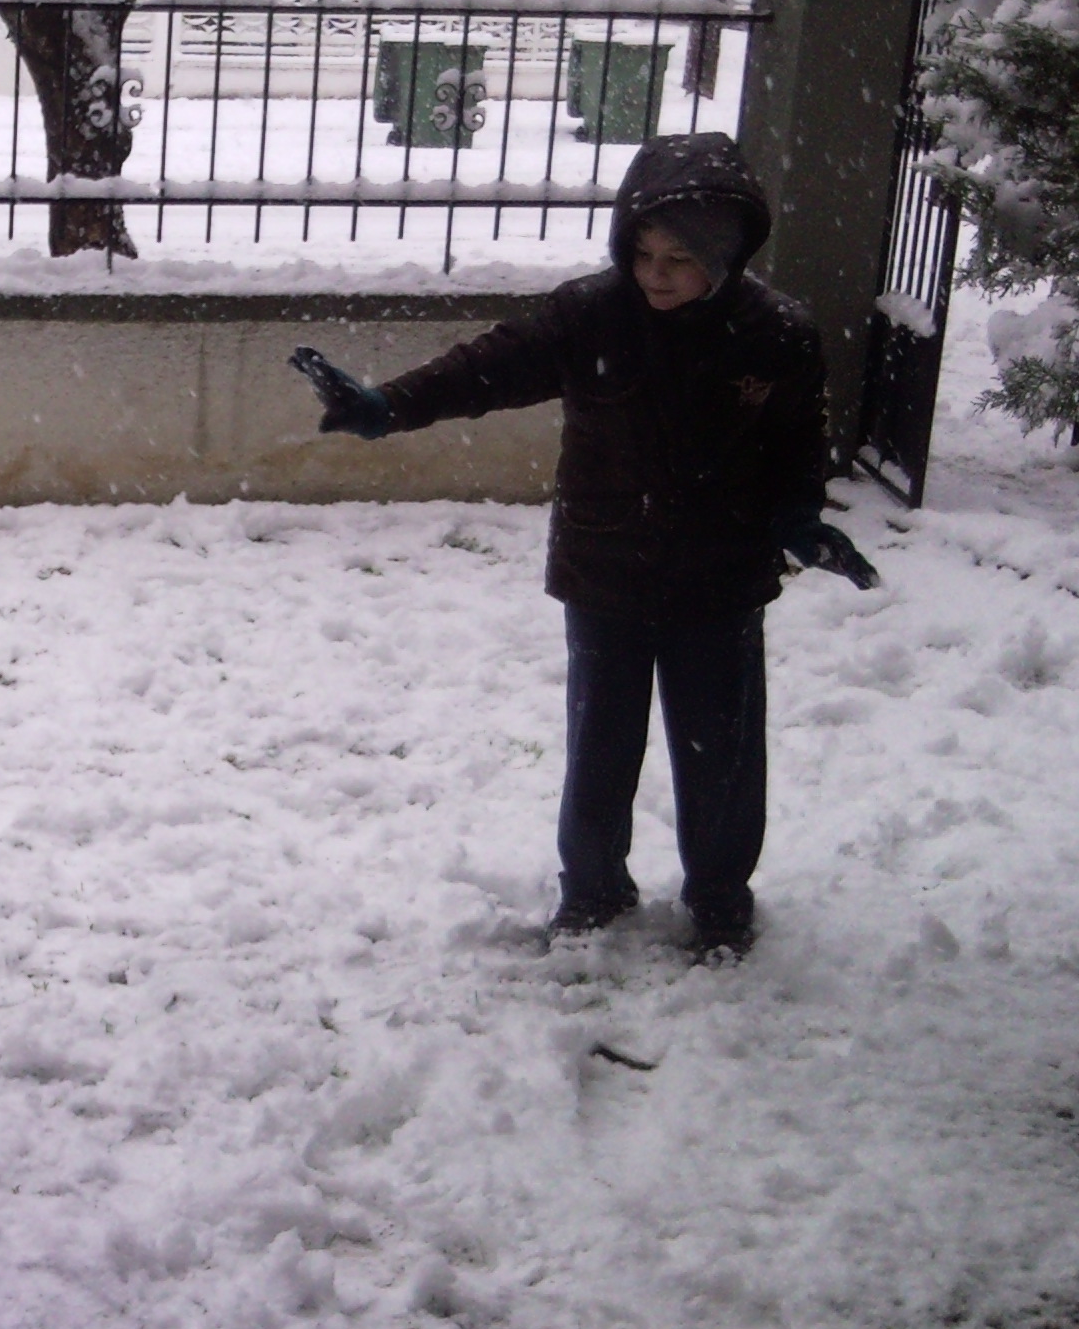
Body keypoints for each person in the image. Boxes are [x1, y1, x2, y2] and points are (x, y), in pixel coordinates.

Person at [291, 132, 877, 958]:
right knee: (600, 747)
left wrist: (798, 520)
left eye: (677, 258)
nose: (654, 275)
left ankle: (719, 898)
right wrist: (388, 405)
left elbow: (795, 443)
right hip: (606, 569)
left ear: (728, 251)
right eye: (642, 253)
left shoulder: (777, 334)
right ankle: (593, 890)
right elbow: (487, 368)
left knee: (721, 754)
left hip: (721, 581)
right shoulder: (589, 315)